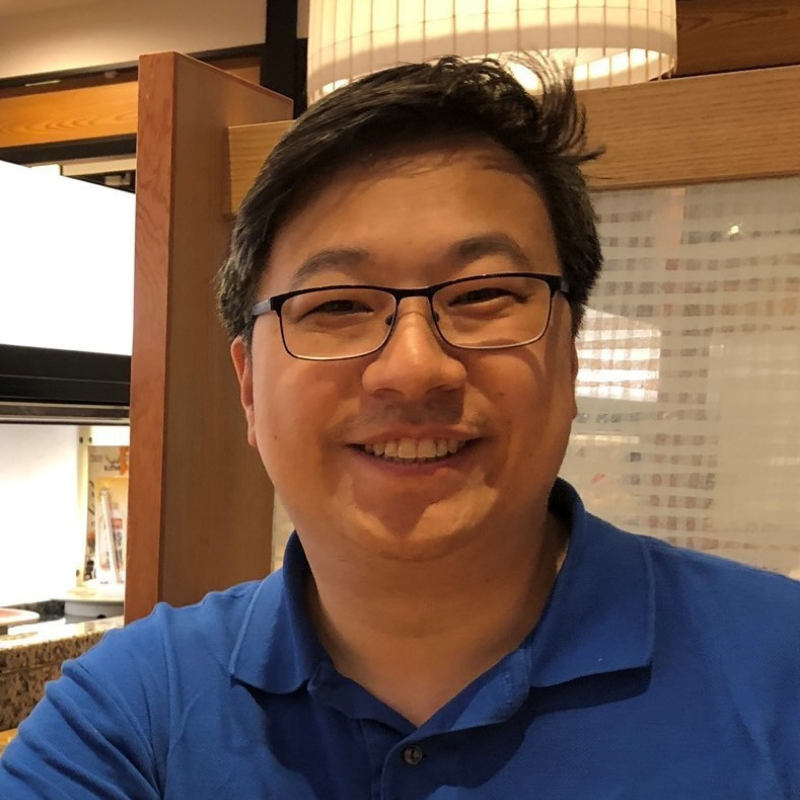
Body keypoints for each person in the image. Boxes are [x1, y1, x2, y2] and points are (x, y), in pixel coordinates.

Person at [1, 55, 799, 799]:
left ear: (570, 355)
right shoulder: (134, 713)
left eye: (484, 295)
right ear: (248, 387)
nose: (414, 368)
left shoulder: (777, 667)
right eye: (338, 305)